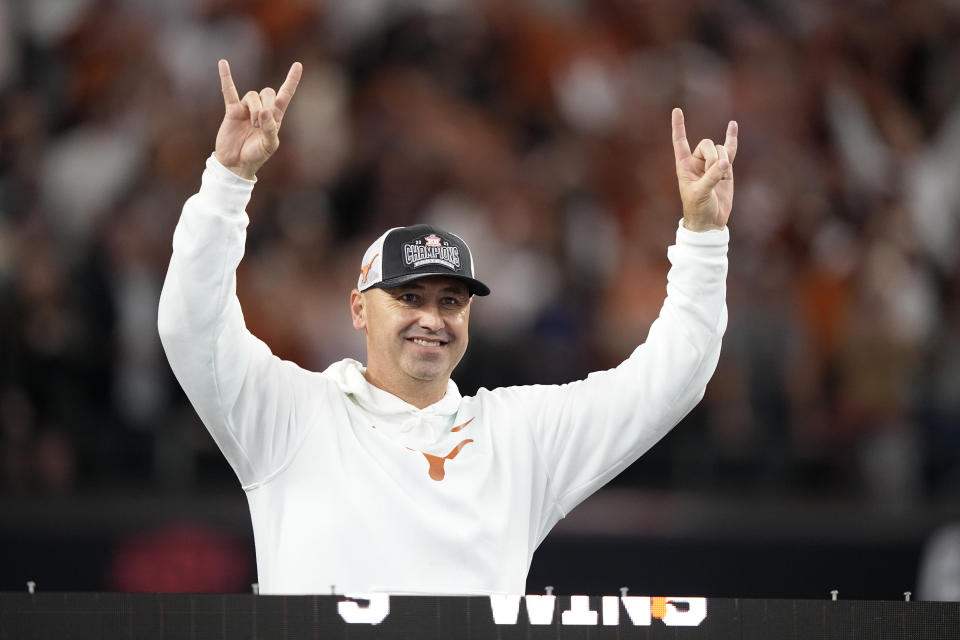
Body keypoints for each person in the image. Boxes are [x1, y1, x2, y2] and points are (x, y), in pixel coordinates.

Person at [158, 59, 738, 595]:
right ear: (359, 308)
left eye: (451, 301)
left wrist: (704, 239)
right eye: (408, 296)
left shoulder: (518, 440)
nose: (432, 319)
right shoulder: (289, 415)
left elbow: (668, 380)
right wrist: (228, 182)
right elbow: (192, 326)